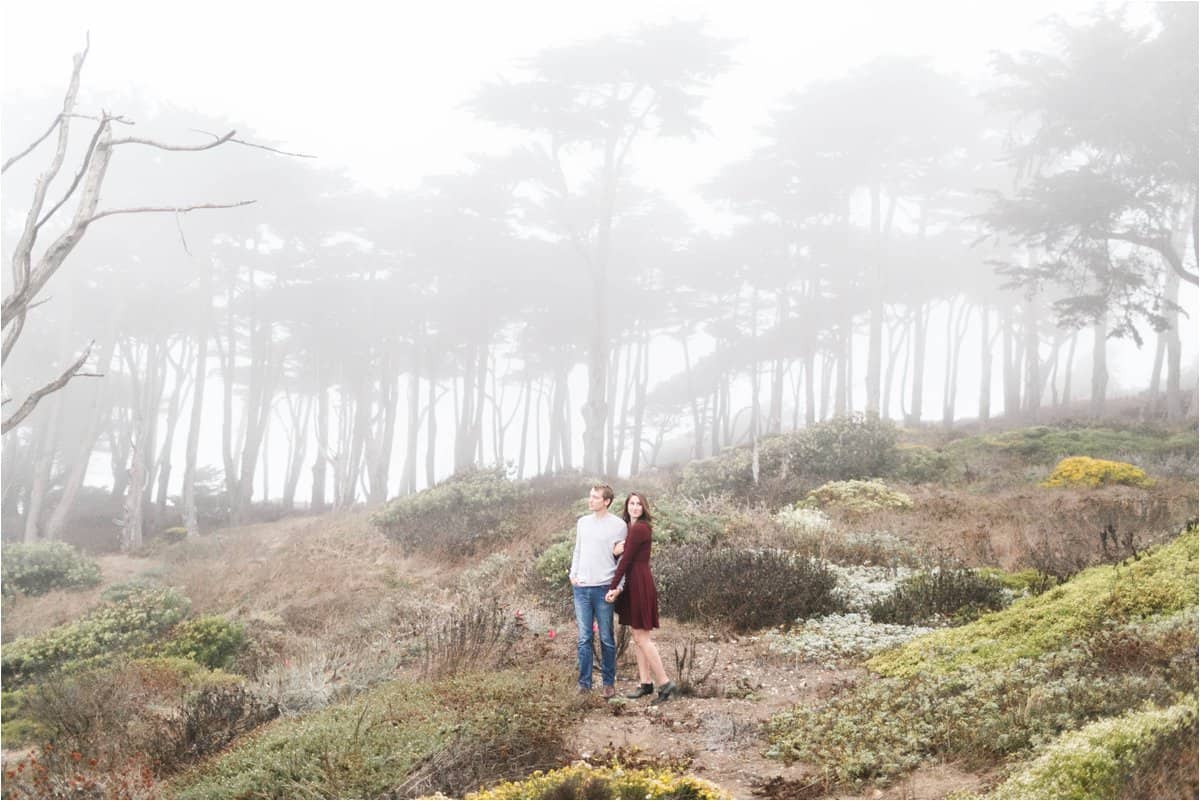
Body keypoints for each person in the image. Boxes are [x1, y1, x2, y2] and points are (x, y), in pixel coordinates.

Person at [606, 491, 676, 703]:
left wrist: (612, 586)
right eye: (631, 503)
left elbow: (625, 560)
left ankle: (665, 682)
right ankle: (645, 683)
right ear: (627, 506)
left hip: (638, 582)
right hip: (632, 582)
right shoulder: (629, 528)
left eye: (639, 504)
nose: (635, 507)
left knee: (642, 638)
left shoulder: (640, 528)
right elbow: (620, 554)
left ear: (644, 508)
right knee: (637, 638)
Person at [568, 483, 628, 697]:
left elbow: (623, 561)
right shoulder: (583, 523)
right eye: (590, 496)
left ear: (606, 501)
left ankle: (608, 683)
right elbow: (578, 549)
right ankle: (584, 685)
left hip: (604, 588)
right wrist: (572, 575)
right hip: (582, 588)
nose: (590, 500)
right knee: (584, 638)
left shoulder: (619, 526)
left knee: (606, 638)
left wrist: (618, 587)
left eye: (595, 497)